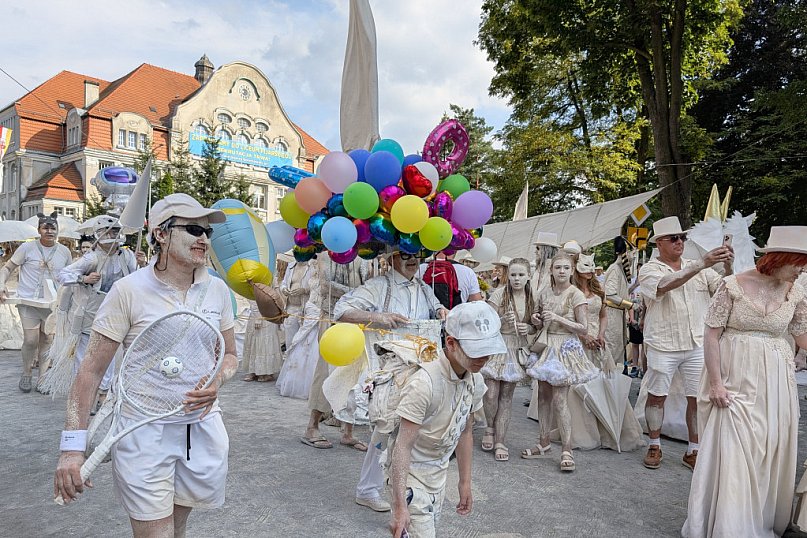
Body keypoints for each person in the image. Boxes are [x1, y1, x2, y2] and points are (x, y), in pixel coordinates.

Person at [53, 193, 238, 537]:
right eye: (194, 229)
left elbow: (229, 355)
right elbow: (90, 371)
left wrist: (218, 382)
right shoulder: (128, 291)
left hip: (200, 428)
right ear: (161, 234)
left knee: (178, 526)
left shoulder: (217, 291)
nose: (203, 238)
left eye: (207, 232)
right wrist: (71, 449)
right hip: (142, 429)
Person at [682, 226, 807, 537]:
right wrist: (716, 384)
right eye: (799, 264)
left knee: (766, 448)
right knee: (734, 446)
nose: (802, 272)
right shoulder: (732, 285)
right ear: (782, 258)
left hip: (776, 381)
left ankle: (755, 517)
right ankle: (729, 526)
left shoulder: (797, 291)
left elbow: (801, 335)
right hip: (733, 376)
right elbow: (711, 334)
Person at [333, 251, 448, 513]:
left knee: (412, 431)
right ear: (392, 257)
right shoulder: (379, 285)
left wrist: (442, 310)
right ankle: (368, 489)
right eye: (406, 255)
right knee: (385, 429)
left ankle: (405, 489)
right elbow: (341, 310)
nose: (413, 260)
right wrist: (378, 317)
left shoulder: (423, 286)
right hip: (391, 372)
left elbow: (436, 309)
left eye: (417, 255)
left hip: (423, 371)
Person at [388, 301, 506, 538]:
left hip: (439, 474)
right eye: (476, 351)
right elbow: (402, 445)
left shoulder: (475, 381)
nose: (483, 359)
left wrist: (464, 482)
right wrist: (400, 505)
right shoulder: (424, 383)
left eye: (487, 350)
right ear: (451, 343)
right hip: (411, 477)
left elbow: (465, 431)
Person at [638, 216, 733, 470]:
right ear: (659, 243)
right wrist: (703, 263)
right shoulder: (649, 269)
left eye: (683, 237)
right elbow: (664, 285)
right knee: (657, 397)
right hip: (663, 342)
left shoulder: (697, 267)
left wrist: (729, 265)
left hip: (696, 342)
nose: (680, 242)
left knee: (696, 398)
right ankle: (654, 444)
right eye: (674, 238)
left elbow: (725, 289)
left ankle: (694, 449)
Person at [47, 215, 144, 402]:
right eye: (108, 232)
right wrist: (84, 279)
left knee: (110, 354)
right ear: (99, 235)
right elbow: (63, 275)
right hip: (90, 313)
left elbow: (137, 279)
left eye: (115, 231)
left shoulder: (127, 256)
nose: (113, 235)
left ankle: (103, 393)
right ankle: (82, 394)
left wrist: (142, 264)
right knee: (84, 355)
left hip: (117, 312)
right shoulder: (90, 258)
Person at [522, 252, 598, 471]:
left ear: (572, 271)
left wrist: (557, 318)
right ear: (551, 271)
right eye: (558, 268)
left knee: (560, 399)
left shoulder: (575, 294)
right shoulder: (544, 292)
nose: (562, 271)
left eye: (566, 268)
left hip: (565, 347)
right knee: (543, 396)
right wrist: (536, 319)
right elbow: (536, 320)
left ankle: (567, 449)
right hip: (546, 346)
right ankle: (544, 442)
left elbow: (584, 328)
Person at [565, 253, 644, 451]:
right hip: (577, 342)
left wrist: (601, 334)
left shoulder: (599, 291)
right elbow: (567, 319)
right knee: (579, 387)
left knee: (604, 384)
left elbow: (603, 316)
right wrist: (584, 337)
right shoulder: (570, 291)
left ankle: (608, 425)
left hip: (599, 343)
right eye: (586, 267)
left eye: (592, 267)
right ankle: (585, 430)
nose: (591, 271)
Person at [0, 212, 72, 392]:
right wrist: (1, 284)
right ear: (39, 230)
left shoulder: (64, 252)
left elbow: (71, 276)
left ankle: (42, 378)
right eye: (46, 227)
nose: (49, 231)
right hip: (29, 302)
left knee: (47, 339)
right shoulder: (27, 248)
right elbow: (8, 267)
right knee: (31, 340)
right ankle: (26, 373)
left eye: (53, 227)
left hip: (52, 304)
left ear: (57, 231)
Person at [299, 256, 366, 450]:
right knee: (325, 371)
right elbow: (327, 284)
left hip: (356, 321)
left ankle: (348, 432)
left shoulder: (363, 257)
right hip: (331, 318)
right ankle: (312, 427)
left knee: (353, 375)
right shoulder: (325, 256)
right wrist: (359, 293)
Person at [480, 258, 535, 461]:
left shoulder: (531, 297)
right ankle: (489, 427)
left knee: (506, 396)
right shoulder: (499, 293)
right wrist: (501, 320)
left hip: (515, 347)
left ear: (528, 276)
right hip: (497, 345)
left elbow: (535, 325)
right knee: (491, 393)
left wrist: (528, 327)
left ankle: (501, 440)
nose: (517, 279)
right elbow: (485, 321)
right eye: (513, 274)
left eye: (521, 275)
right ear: (507, 275)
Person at [603, 236, 635, 371]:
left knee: (617, 349)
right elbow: (610, 295)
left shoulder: (619, 270)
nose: (633, 256)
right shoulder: (615, 269)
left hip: (618, 315)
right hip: (612, 316)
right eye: (631, 252)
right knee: (612, 350)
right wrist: (630, 305)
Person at [241, 298, 283, 382]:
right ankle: (253, 370)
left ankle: (266, 372)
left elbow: (271, 298)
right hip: (254, 312)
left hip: (266, 314)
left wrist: (261, 316)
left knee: (264, 341)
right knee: (253, 340)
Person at [280, 258, 313, 351]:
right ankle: (290, 361)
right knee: (290, 339)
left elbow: (317, 286)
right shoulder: (291, 266)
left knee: (304, 341)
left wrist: (305, 290)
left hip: (305, 309)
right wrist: (284, 289)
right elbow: (284, 283)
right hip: (291, 307)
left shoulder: (312, 266)